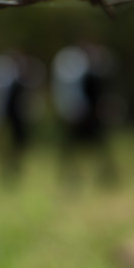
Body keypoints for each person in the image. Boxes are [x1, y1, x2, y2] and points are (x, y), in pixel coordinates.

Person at [51, 40, 121, 186]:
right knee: (78, 150)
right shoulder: (85, 74)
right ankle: (75, 177)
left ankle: (103, 176)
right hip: (84, 116)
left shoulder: (85, 73)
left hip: (84, 116)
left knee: (91, 149)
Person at [0, 52, 45, 180]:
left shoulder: (24, 81)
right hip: (8, 117)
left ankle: (14, 165)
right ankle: (5, 165)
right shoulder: (6, 81)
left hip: (20, 119)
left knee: (19, 143)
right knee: (5, 143)